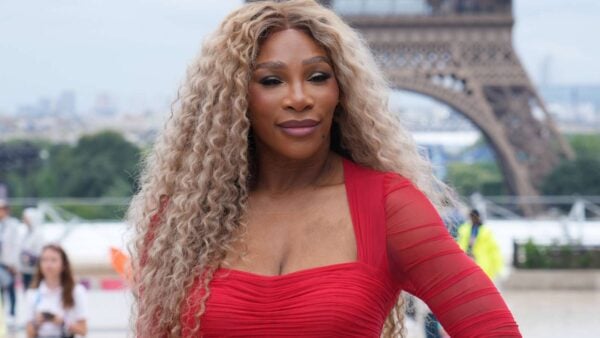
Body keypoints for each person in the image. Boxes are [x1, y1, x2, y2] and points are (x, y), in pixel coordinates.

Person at [129, 1, 520, 337]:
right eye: (271, 80)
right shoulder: (183, 220)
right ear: (235, 99)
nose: (299, 98)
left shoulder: (388, 207)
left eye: (317, 77)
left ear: (341, 91)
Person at [25, 244, 88, 338]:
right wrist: (37, 323)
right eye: (44, 260)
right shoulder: (32, 293)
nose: (48, 265)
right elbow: (29, 334)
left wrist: (63, 323)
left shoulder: (76, 291)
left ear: (63, 265)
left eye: (53, 260)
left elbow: (83, 330)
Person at [457, 209, 504, 280]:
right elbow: (460, 245)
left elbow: (494, 250)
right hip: (468, 260)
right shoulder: (465, 229)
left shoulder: (486, 232)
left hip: (481, 262)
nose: (473, 219)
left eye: (474, 217)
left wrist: (497, 266)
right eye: (472, 217)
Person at [0, 199, 20, 324]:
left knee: (11, 288)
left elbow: (16, 245)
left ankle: (12, 314)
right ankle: (2, 313)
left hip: (9, 262)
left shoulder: (13, 225)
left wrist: (13, 264)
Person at [20, 207, 46, 290]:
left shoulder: (39, 234)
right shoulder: (26, 233)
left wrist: (29, 257)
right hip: (25, 269)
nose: (24, 220)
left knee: (34, 291)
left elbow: (40, 253)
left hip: (34, 270)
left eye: (26, 218)